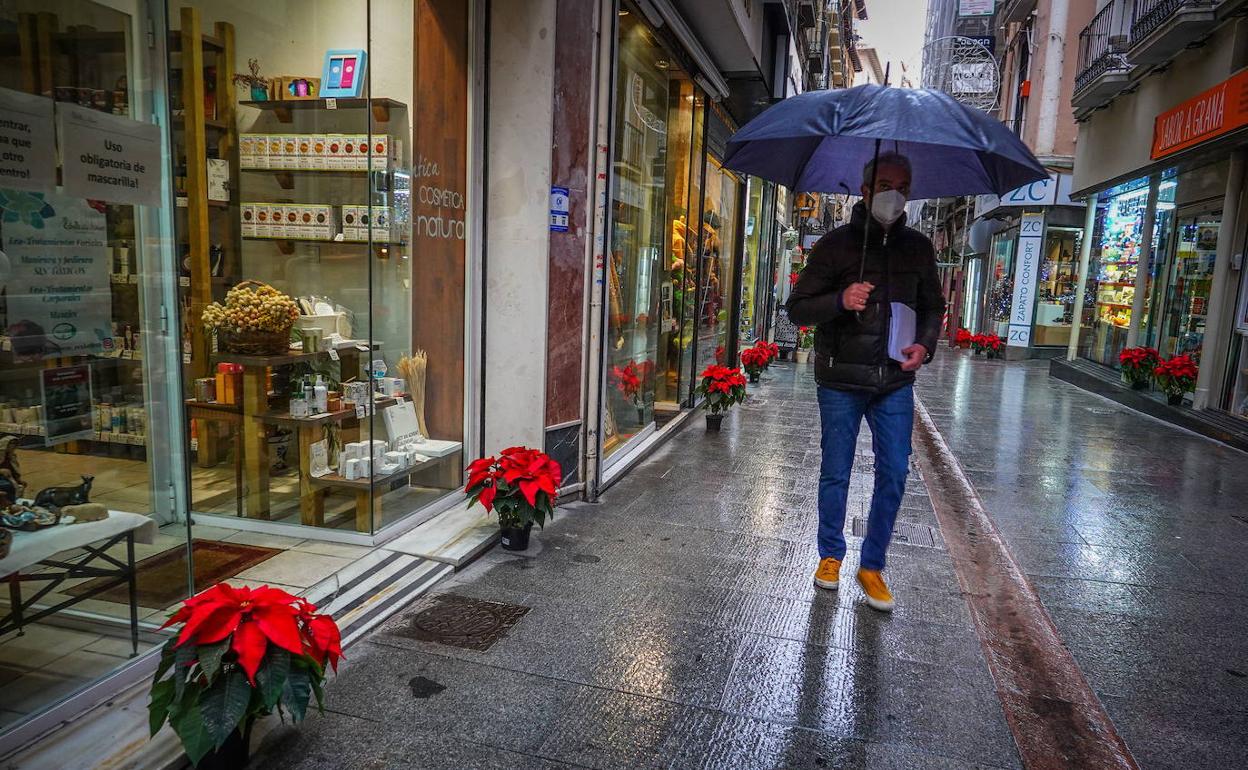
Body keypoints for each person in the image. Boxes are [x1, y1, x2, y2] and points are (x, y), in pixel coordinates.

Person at [785, 152, 945, 612]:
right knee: (836, 470)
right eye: (885, 185)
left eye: (902, 186)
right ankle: (830, 556)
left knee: (894, 471)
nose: (894, 194)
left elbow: (933, 306)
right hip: (840, 378)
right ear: (865, 190)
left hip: (894, 380)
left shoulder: (918, 248)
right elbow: (797, 308)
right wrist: (840, 298)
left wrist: (926, 345)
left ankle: (872, 565)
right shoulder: (835, 245)